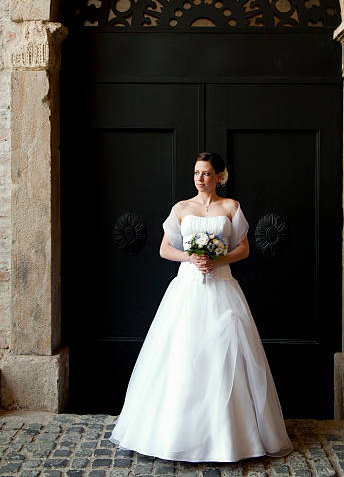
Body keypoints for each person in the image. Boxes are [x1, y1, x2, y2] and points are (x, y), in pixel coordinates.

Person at [109, 152, 293, 462]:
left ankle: (230, 438)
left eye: (206, 173)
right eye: (196, 172)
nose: (200, 178)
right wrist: (192, 258)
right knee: (183, 354)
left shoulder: (230, 207)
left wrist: (217, 259)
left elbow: (244, 249)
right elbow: (165, 248)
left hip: (222, 286)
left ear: (220, 176)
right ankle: (175, 435)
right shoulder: (181, 209)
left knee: (225, 354)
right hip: (188, 289)